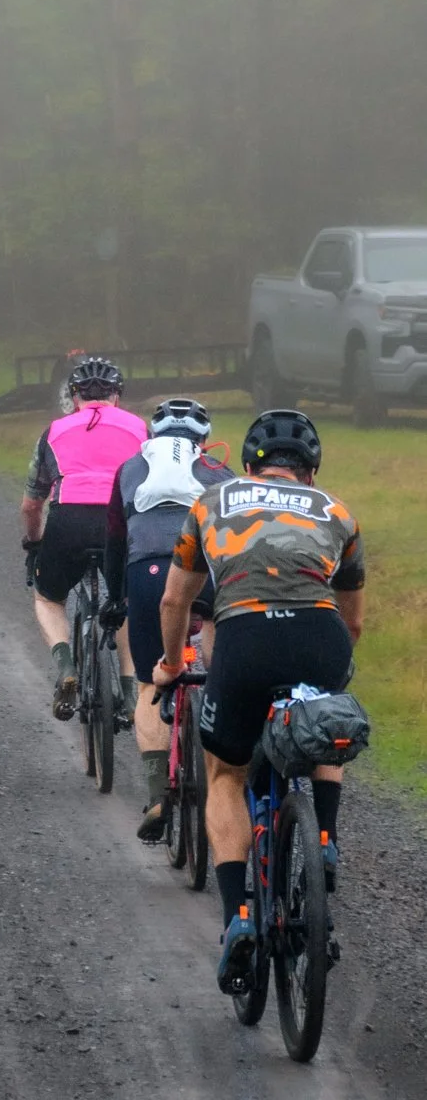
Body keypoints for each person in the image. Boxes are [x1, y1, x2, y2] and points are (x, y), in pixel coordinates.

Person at [155, 408, 364, 993]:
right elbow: (353, 622)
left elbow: (175, 602)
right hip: (319, 636)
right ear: (313, 471)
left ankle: (236, 919)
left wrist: (172, 665)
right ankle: (322, 839)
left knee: (226, 773)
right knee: (324, 718)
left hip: (244, 639)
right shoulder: (338, 512)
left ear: (247, 466)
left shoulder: (211, 503)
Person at [103, 399, 234, 841]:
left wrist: (116, 596)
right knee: (219, 661)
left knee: (148, 683)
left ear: (152, 436)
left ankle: (160, 793)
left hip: (147, 570)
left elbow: (115, 542)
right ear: (204, 437)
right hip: (206, 569)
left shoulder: (129, 468)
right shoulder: (220, 472)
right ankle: (224, 764)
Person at [21, 355, 147, 720]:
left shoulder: (55, 431)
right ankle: (128, 691)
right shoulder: (141, 429)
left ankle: (66, 668)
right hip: (119, 521)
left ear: (74, 398)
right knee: (123, 599)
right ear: (117, 397)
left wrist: (34, 543)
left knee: (48, 597)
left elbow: (32, 505)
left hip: (69, 519)